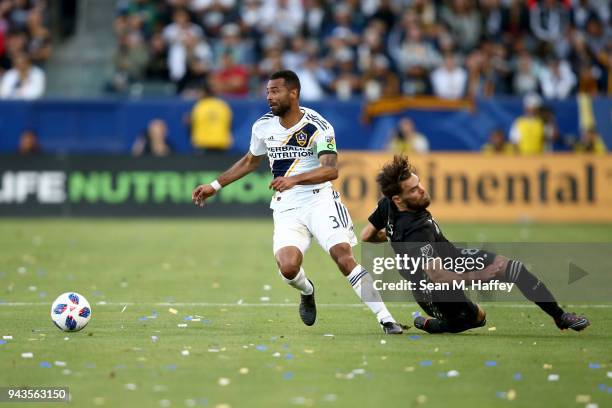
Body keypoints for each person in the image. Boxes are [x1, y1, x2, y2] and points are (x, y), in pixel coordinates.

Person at [192, 70, 403, 334]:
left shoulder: (318, 126)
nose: (269, 97)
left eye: (275, 91)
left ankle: (386, 319)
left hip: (320, 201)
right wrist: (214, 186)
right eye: (268, 91)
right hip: (286, 207)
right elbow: (250, 161)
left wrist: (295, 179)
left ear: (294, 93)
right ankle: (307, 290)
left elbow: (331, 170)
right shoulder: (263, 126)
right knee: (289, 268)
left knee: (343, 256)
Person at [361, 155, 590, 334]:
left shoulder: (387, 205)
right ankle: (433, 325)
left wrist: (391, 238)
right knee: (477, 318)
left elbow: (367, 234)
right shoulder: (417, 233)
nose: (422, 190)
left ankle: (560, 317)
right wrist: (484, 274)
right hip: (432, 290)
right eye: (414, 190)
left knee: (514, 269)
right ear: (399, 200)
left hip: (452, 258)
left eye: (419, 184)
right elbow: (438, 277)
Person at [188, 83, 232, 153]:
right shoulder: (223, 105)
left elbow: (190, 122)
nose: (197, 95)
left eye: (199, 92)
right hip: (221, 143)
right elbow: (229, 123)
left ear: (204, 92)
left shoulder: (199, 106)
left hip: (202, 143)